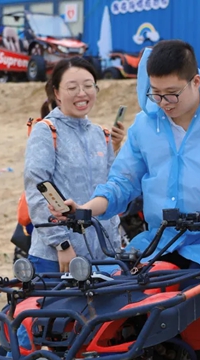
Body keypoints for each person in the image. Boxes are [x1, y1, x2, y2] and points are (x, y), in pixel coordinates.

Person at [50, 39, 200, 298]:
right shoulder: (144, 125)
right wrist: (85, 209)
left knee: (190, 299)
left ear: (195, 82)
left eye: (172, 93)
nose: (163, 102)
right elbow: (122, 183)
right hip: (158, 241)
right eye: (155, 92)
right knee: (115, 293)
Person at [24, 56, 126, 273]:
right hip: (58, 258)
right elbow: (37, 191)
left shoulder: (101, 135)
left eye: (88, 86)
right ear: (57, 93)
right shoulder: (46, 131)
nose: (82, 93)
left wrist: (116, 243)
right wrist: (61, 243)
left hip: (104, 255)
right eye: (72, 87)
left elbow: (111, 189)